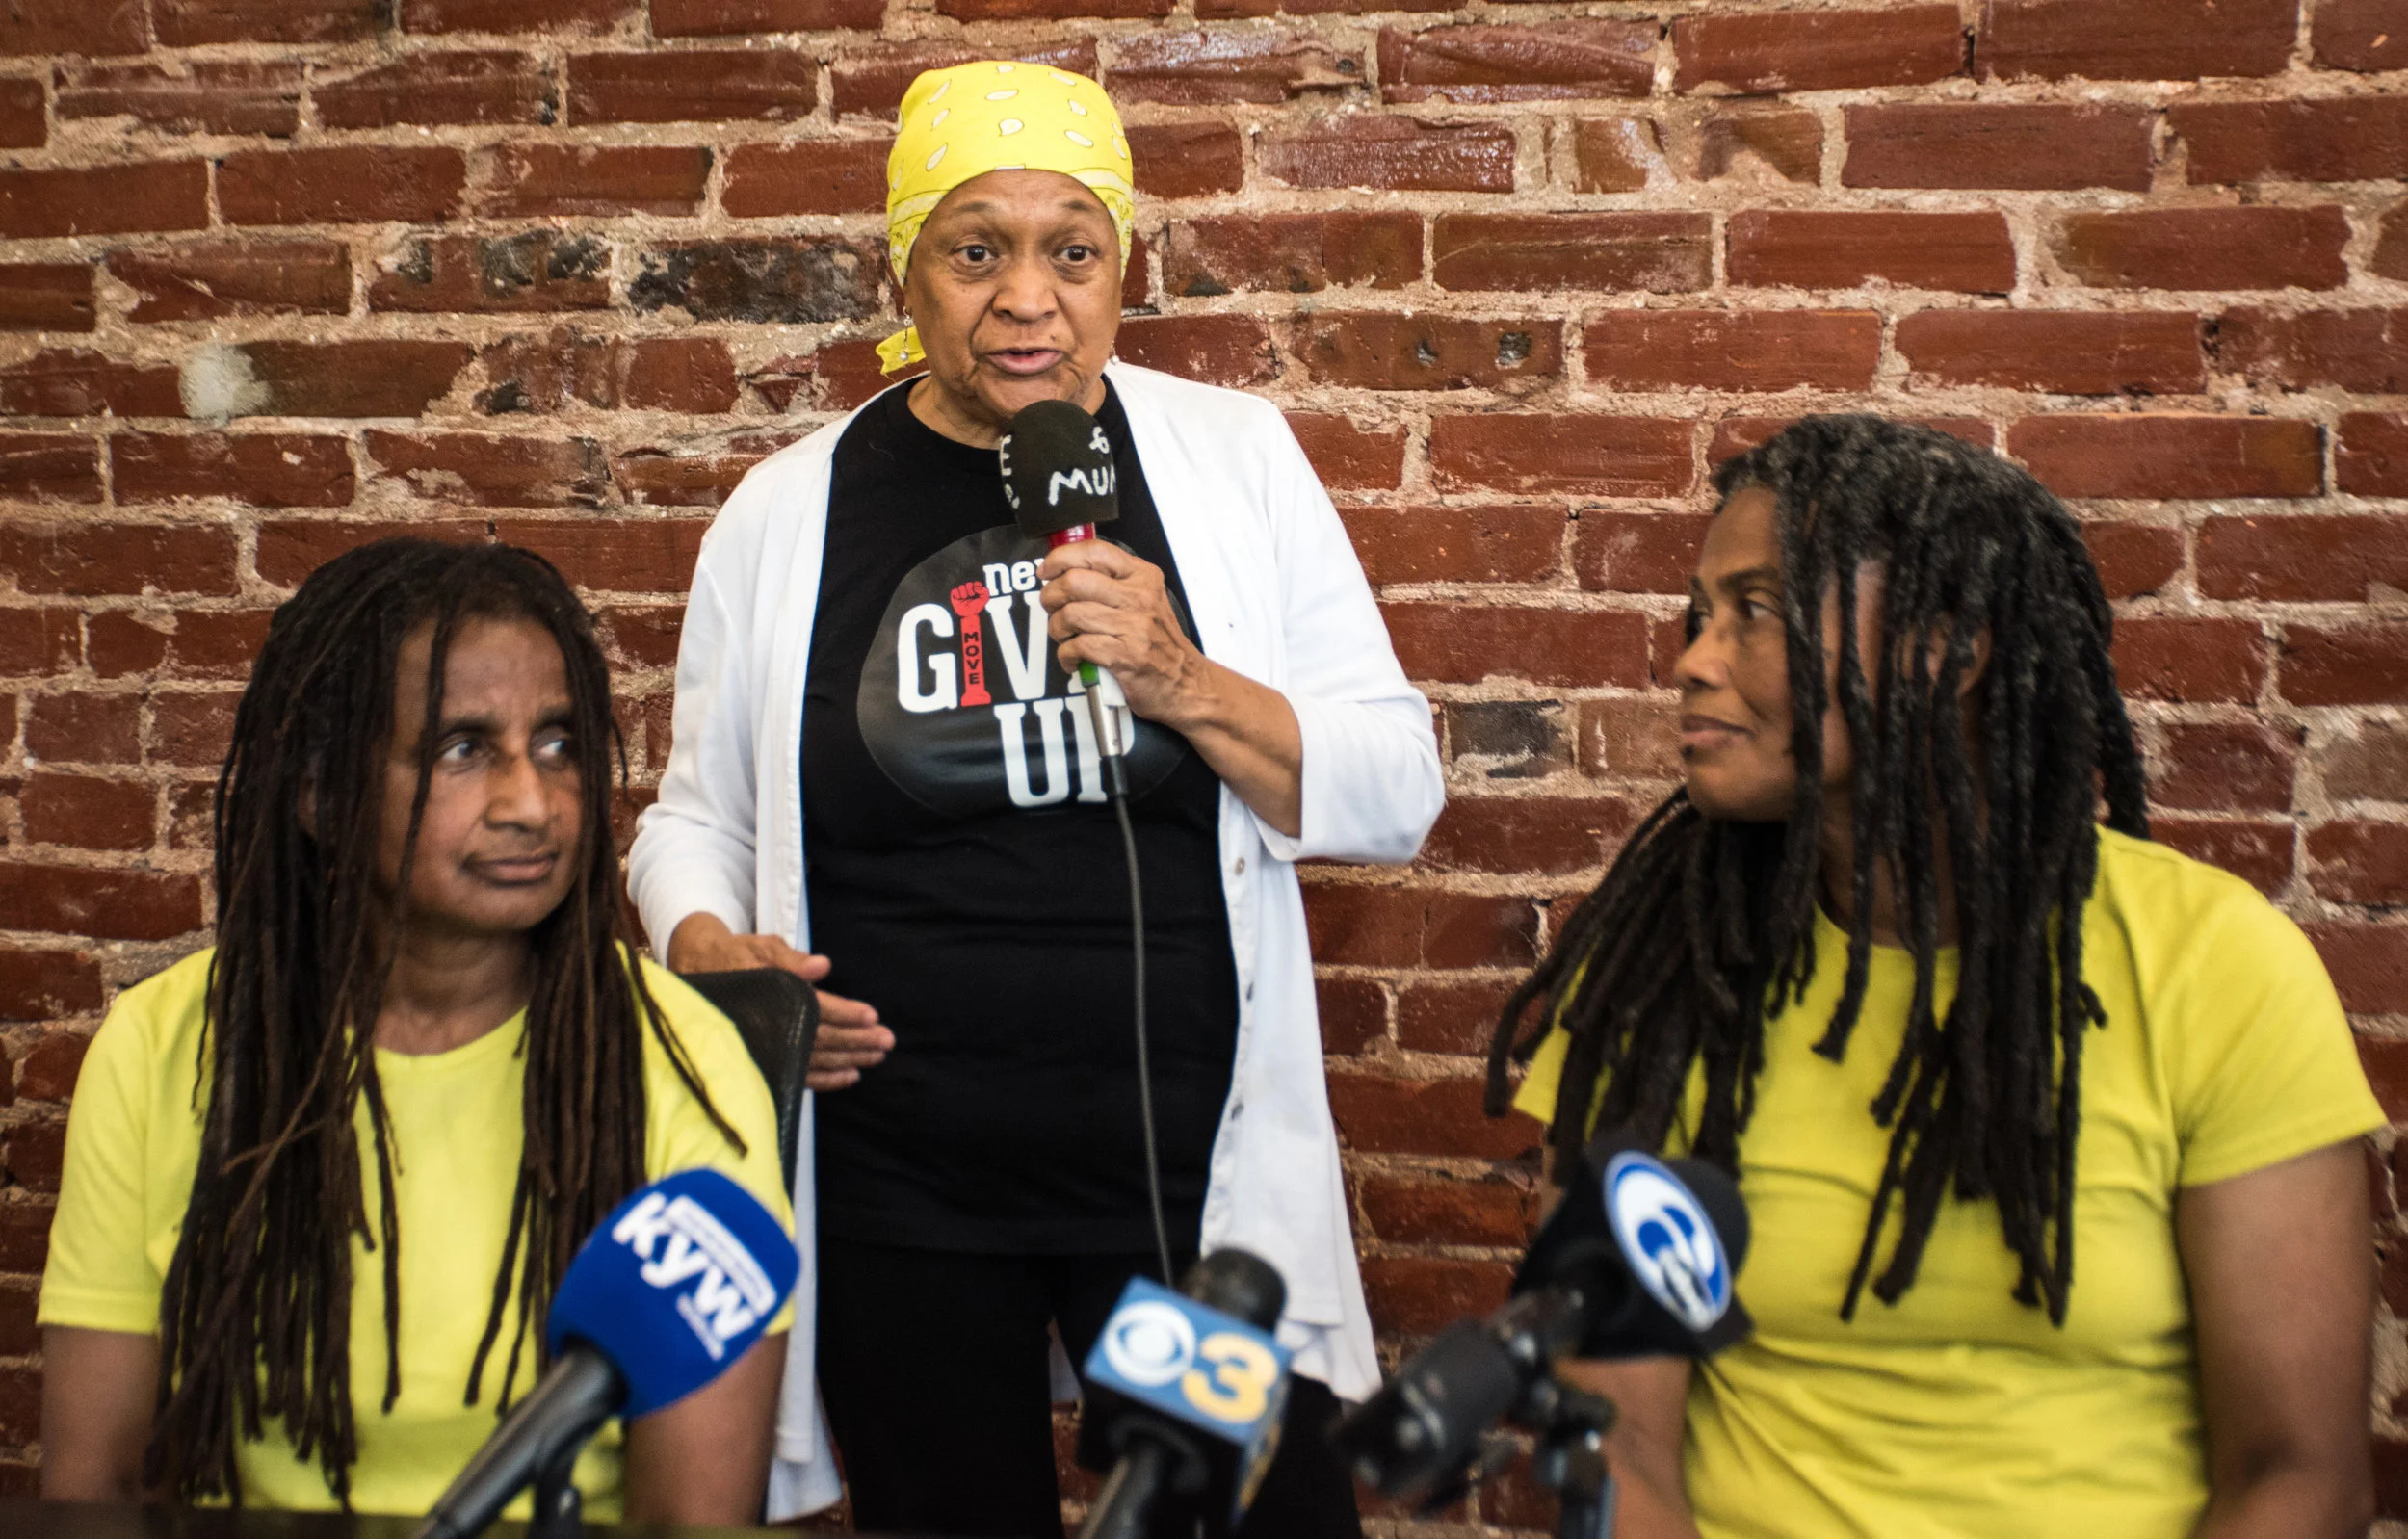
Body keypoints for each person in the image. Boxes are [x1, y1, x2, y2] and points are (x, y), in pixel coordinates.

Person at [626, 61, 1442, 1535]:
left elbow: (1395, 786)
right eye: (975, 246)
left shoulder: (1232, 464)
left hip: (1179, 1182)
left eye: (1072, 249)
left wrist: (1184, 679)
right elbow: (693, 819)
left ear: (1122, 270)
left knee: (1249, 1516)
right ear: (905, 269)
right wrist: (702, 945)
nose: (1027, 298)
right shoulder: (787, 510)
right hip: (903, 1185)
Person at [1490, 416, 2380, 1539]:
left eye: (1755, 611)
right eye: (1699, 614)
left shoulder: (2213, 966)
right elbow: (1615, 1445)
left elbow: (2300, 1477)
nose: (1694, 658)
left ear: (1948, 648)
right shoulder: (1665, 985)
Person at [39, 539, 792, 1519]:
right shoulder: (158, 1048)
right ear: (320, 791)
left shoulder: (681, 1062)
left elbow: (691, 1521)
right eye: (462, 747)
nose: (533, 801)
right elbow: (89, 1492)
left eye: (559, 743)